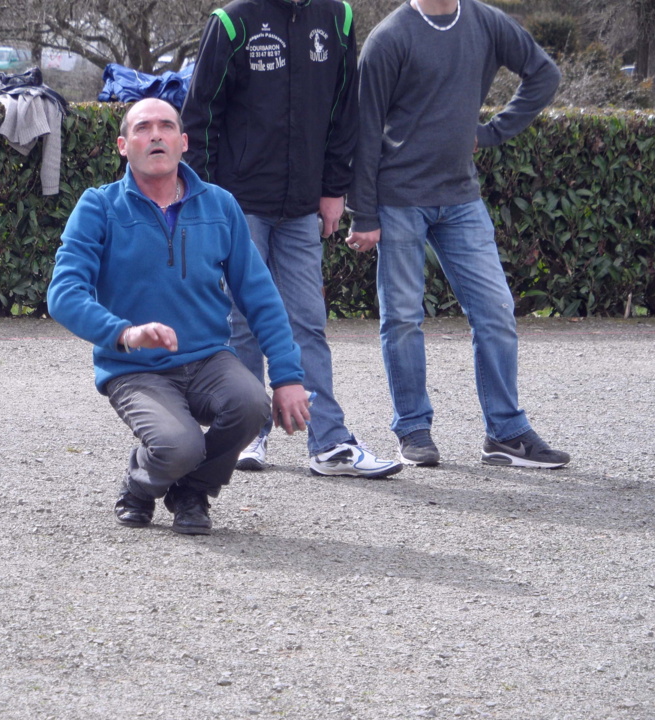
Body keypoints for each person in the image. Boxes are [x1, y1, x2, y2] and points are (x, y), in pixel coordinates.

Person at [47, 99, 312, 535]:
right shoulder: (98, 207)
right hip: (135, 369)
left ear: (183, 142)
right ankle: (138, 485)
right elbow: (63, 294)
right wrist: (126, 333)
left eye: (167, 126)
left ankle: (192, 491)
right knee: (180, 444)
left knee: (251, 406)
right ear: (122, 145)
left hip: (209, 359)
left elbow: (260, 296)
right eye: (143, 128)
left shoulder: (220, 206)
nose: (156, 135)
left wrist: (287, 376)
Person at [181, 0, 402, 479]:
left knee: (307, 320)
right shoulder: (231, 21)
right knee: (241, 320)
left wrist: (333, 188)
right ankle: (244, 432)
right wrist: (200, 200)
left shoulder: (338, 16)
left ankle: (329, 442)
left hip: (303, 205)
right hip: (238, 205)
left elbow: (346, 112)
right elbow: (199, 117)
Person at [347, 0, 570, 469]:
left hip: (461, 198)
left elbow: (544, 74)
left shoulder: (486, 21)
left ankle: (505, 434)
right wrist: (362, 212)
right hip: (399, 198)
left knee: (496, 311)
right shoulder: (389, 38)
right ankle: (412, 429)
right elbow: (364, 130)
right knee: (403, 318)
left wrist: (492, 131)